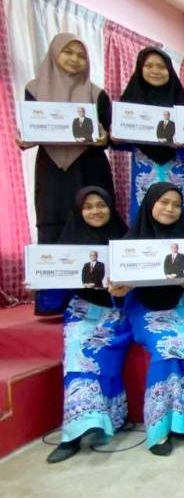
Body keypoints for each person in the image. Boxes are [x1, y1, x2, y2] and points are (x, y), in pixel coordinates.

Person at [110, 182, 184, 456]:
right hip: (147, 308)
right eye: (163, 202)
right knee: (167, 345)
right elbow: (119, 292)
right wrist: (118, 289)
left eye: (176, 205)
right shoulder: (128, 245)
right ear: (149, 204)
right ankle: (160, 429)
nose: (169, 209)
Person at [40, 187, 129, 463]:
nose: (95, 211)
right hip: (81, 311)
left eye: (101, 205)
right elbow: (55, 296)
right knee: (78, 348)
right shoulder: (67, 245)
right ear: (79, 211)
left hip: (117, 313)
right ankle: (74, 433)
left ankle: (109, 417)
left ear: (111, 208)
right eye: (88, 207)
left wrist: (125, 290)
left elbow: (140, 287)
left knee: (103, 347)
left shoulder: (126, 241)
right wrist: (40, 283)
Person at [18, 34, 114, 247]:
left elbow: (111, 133)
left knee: (94, 219)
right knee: (53, 221)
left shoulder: (97, 93)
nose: (74, 59)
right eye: (67, 52)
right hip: (51, 170)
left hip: (89, 168)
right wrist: (25, 138)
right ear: (54, 54)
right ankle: (55, 278)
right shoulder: (34, 89)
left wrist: (105, 138)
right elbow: (32, 127)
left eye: (81, 55)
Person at [116, 47, 184, 225]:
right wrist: (115, 137)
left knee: (180, 216)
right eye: (149, 66)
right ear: (140, 68)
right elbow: (120, 141)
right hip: (145, 169)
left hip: (177, 169)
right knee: (146, 214)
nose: (155, 71)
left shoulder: (183, 103)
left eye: (161, 67)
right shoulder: (130, 100)